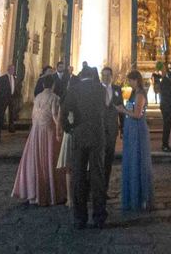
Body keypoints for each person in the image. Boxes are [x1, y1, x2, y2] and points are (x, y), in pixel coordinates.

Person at [61, 65, 108, 229]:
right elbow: (106, 107)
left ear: (81, 76)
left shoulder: (74, 89)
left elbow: (64, 112)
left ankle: (80, 217)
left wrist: (69, 128)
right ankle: (99, 216)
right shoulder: (101, 89)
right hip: (97, 134)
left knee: (79, 175)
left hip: (80, 135)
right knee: (98, 175)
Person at [12, 74, 66, 206]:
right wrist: (59, 131)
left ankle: (35, 191)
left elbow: (34, 115)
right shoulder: (55, 98)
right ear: (53, 85)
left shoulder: (37, 97)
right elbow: (55, 115)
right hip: (49, 131)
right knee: (50, 158)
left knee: (36, 159)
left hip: (36, 131)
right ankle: (51, 192)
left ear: (43, 85)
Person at [118, 70, 154, 211]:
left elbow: (138, 114)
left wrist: (123, 111)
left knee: (137, 159)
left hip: (137, 129)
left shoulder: (139, 94)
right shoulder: (134, 93)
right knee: (132, 159)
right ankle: (134, 196)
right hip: (131, 129)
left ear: (136, 80)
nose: (129, 83)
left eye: (130, 81)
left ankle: (140, 197)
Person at [101, 66, 123, 190]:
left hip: (112, 127)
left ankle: (105, 188)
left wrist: (123, 128)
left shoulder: (117, 89)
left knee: (109, 158)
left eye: (108, 75)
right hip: (99, 128)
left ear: (111, 76)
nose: (105, 77)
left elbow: (121, 107)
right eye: (103, 75)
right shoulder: (96, 89)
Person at [154, 67, 171, 152]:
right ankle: (165, 145)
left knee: (167, 126)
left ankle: (166, 144)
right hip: (167, 107)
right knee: (167, 126)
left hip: (166, 106)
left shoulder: (165, 82)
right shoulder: (167, 83)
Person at [5, 63, 21, 132]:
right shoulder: (4, 78)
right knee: (2, 111)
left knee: (12, 113)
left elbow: (16, 87)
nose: (12, 70)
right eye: (11, 69)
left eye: (13, 69)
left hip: (12, 97)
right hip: (5, 97)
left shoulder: (14, 78)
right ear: (8, 70)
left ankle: (11, 127)